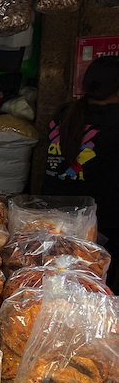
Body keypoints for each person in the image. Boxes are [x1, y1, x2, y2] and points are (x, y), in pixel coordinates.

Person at [42, 54, 119, 289]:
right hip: (101, 223)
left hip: (54, 216)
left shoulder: (64, 113)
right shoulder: (113, 121)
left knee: (56, 280)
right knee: (92, 286)